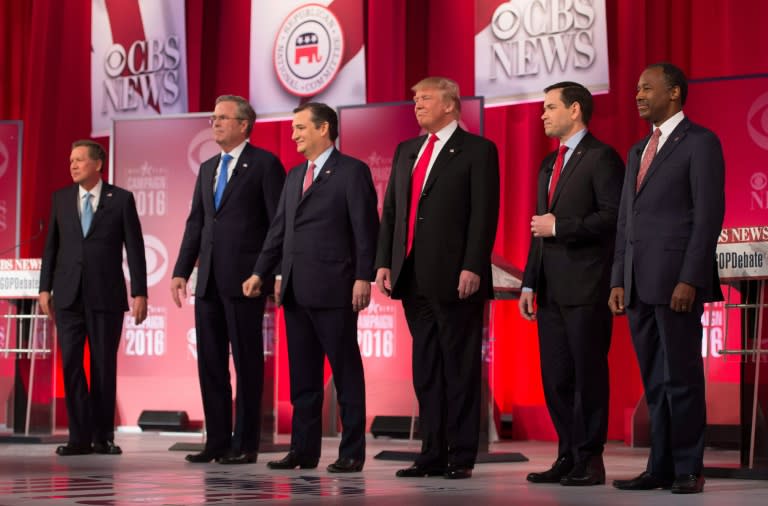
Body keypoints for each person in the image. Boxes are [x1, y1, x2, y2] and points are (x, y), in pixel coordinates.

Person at [374, 76, 500, 480]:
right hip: (411, 275)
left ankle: (460, 454)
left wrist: (473, 265)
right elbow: (392, 210)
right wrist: (384, 261)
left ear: (450, 105)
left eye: (425, 99)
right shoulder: (407, 150)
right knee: (426, 367)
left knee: (459, 366)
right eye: (414, 99)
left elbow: (484, 214)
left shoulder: (477, 150)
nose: (417, 105)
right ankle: (430, 451)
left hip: (455, 275)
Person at [243, 102, 378, 473]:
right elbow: (278, 231)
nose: (294, 135)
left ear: (324, 129)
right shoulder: (293, 175)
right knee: (302, 377)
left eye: (301, 128)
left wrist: (363, 277)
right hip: (295, 290)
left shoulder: (352, 172)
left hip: (335, 288)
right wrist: (260, 272)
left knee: (346, 374)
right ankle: (303, 450)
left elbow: (366, 230)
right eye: (292, 128)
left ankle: (351, 452)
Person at [609, 63, 725, 494]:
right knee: (654, 383)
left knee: (682, 378)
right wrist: (618, 278)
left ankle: (688, 469)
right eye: (636, 88)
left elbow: (707, 216)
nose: (638, 95)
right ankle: (659, 466)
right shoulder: (639, 150)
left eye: (647, 88)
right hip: (639, 284)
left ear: (674, 93)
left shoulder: (700, 143)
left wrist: (690, 278)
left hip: (677, 282)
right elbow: (626, 220)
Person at [171, 95, 286, 465]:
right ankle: (217, 440)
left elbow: (278, 225)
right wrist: (180, 270)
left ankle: (246, 442)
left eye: (223, 118)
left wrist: (267, 273)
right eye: (214, 117)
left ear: (243, 124)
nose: (215, 123)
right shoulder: (207, 168)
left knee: (248, 364)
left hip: (245, 281)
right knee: (210, 363)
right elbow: (196, 225)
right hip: (207, 285)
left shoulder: (265, 164)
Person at [520, 82, 624, 486]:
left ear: (575, 109)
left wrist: (561, 226)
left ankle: (590, 459)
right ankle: (567, 454)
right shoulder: (548, 164)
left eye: (550, 107)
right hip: (549, 290)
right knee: (556, 377)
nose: (542, 115)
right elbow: (537, 230)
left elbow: (613, 217)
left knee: (588, 375)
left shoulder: (601, 158)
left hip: (587, 286)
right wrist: (530, 283)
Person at [39, 139, 147, 456]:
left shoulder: (120, 199)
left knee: (103, 366)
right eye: (70, 160)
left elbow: (136, 249)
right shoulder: (60, 199)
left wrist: (139, 291)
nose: (72, 165)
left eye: (79, 160)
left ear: (97, 164)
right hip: (68, 296)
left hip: (106, 296)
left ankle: (103, 437)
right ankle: (78, 437)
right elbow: (51, 248)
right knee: (72, 365)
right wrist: (45, 288)